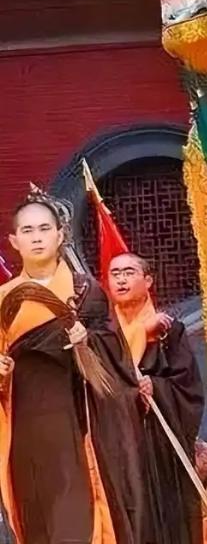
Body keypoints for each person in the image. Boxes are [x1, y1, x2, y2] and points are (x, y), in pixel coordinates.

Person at [0, 197, 146, 544]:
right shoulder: (4, 298)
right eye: (27, 230)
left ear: (60, 234)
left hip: (87, 423)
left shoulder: (86, 292)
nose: (37, 237)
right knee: (43, 515)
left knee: (86, 512)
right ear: (14, 241)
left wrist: (89, 341)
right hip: (31, 427)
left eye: (44, 228)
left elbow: (117, 359)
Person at [107, 252, 205, 544]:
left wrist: (158, 388)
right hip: (119, 444)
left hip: (161, 447)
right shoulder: (104, 337)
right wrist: (139, 332)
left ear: (148, 281)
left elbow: (188, 389)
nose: (121, 279)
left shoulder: (168, 332)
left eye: (129, 272)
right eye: (115, 274)